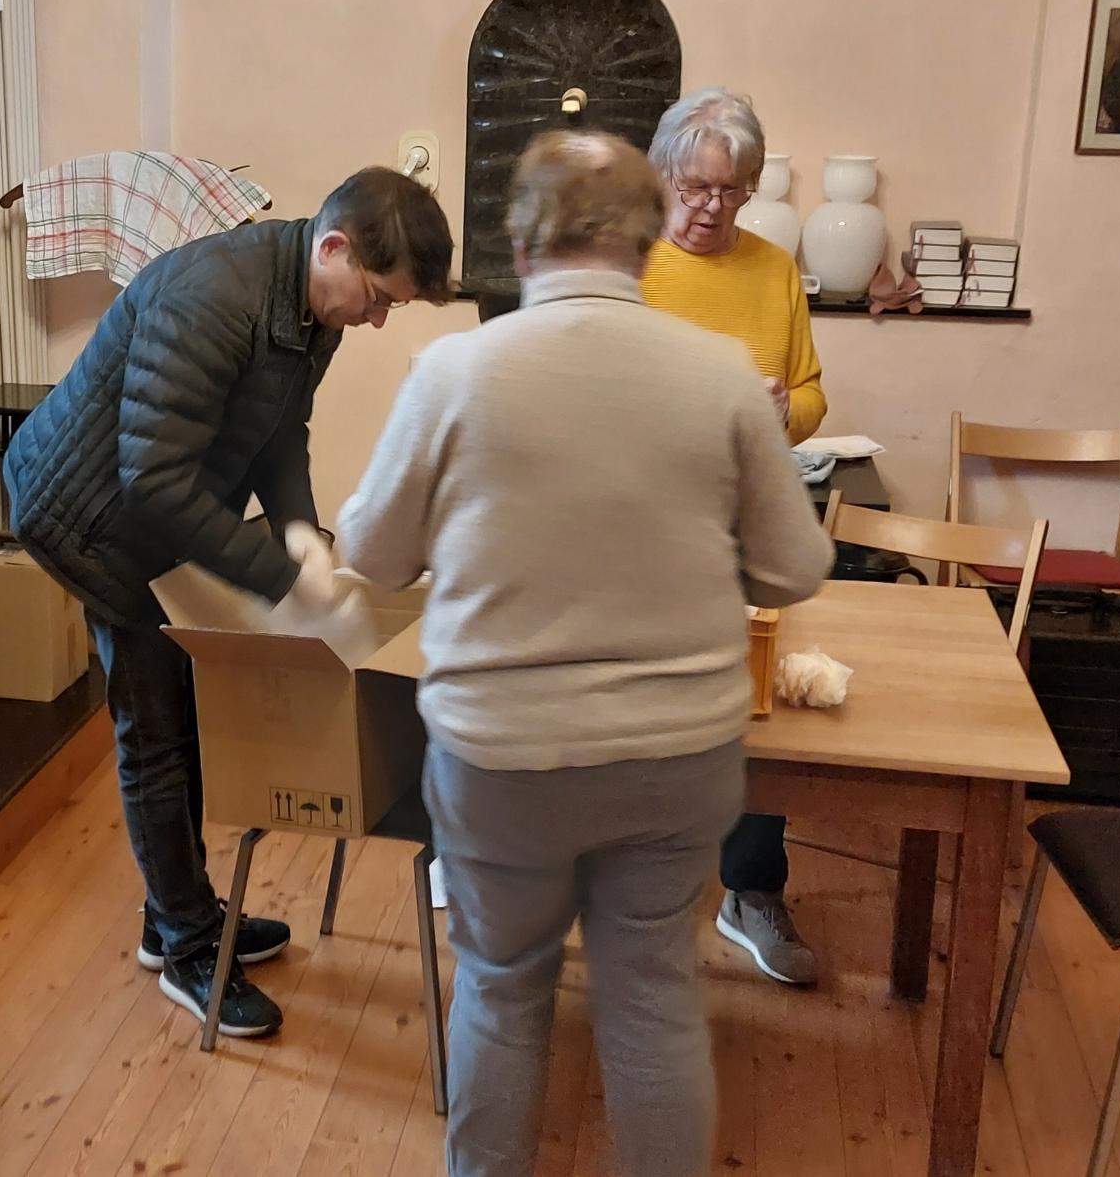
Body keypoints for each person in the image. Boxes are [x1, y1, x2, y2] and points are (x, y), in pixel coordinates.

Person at [337, 130, 830, 1177]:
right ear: (648, 245)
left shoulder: (454, 371)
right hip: (676, 757)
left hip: (499, 756)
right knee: (651, 991)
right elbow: (794, 569)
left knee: (503, 985)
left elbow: (373, 557)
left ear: (520, 244)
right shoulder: (726, 380)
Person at [4, 168, 454, 1037]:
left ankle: (177, 907)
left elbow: (281, 432)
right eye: (377, 297)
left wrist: (302, 536)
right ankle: (183, 942)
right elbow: (156, 484)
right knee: (156, 723)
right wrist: (286, 579)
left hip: (149, 507)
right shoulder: (211, 298)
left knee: (189, 709)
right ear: (335, 246)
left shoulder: (307, 306)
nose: (377, 318)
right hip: (89, 515)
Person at [641, 87, 829, 987]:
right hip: (638, 523)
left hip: (742, 518)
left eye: (732, 190)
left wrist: (783, 408)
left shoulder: (774, 271)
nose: (712, 207)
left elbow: (813, 392)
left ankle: (751, 891)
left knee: (752, 709)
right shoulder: (622, 263)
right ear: (664, 176)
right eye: (696, 187)